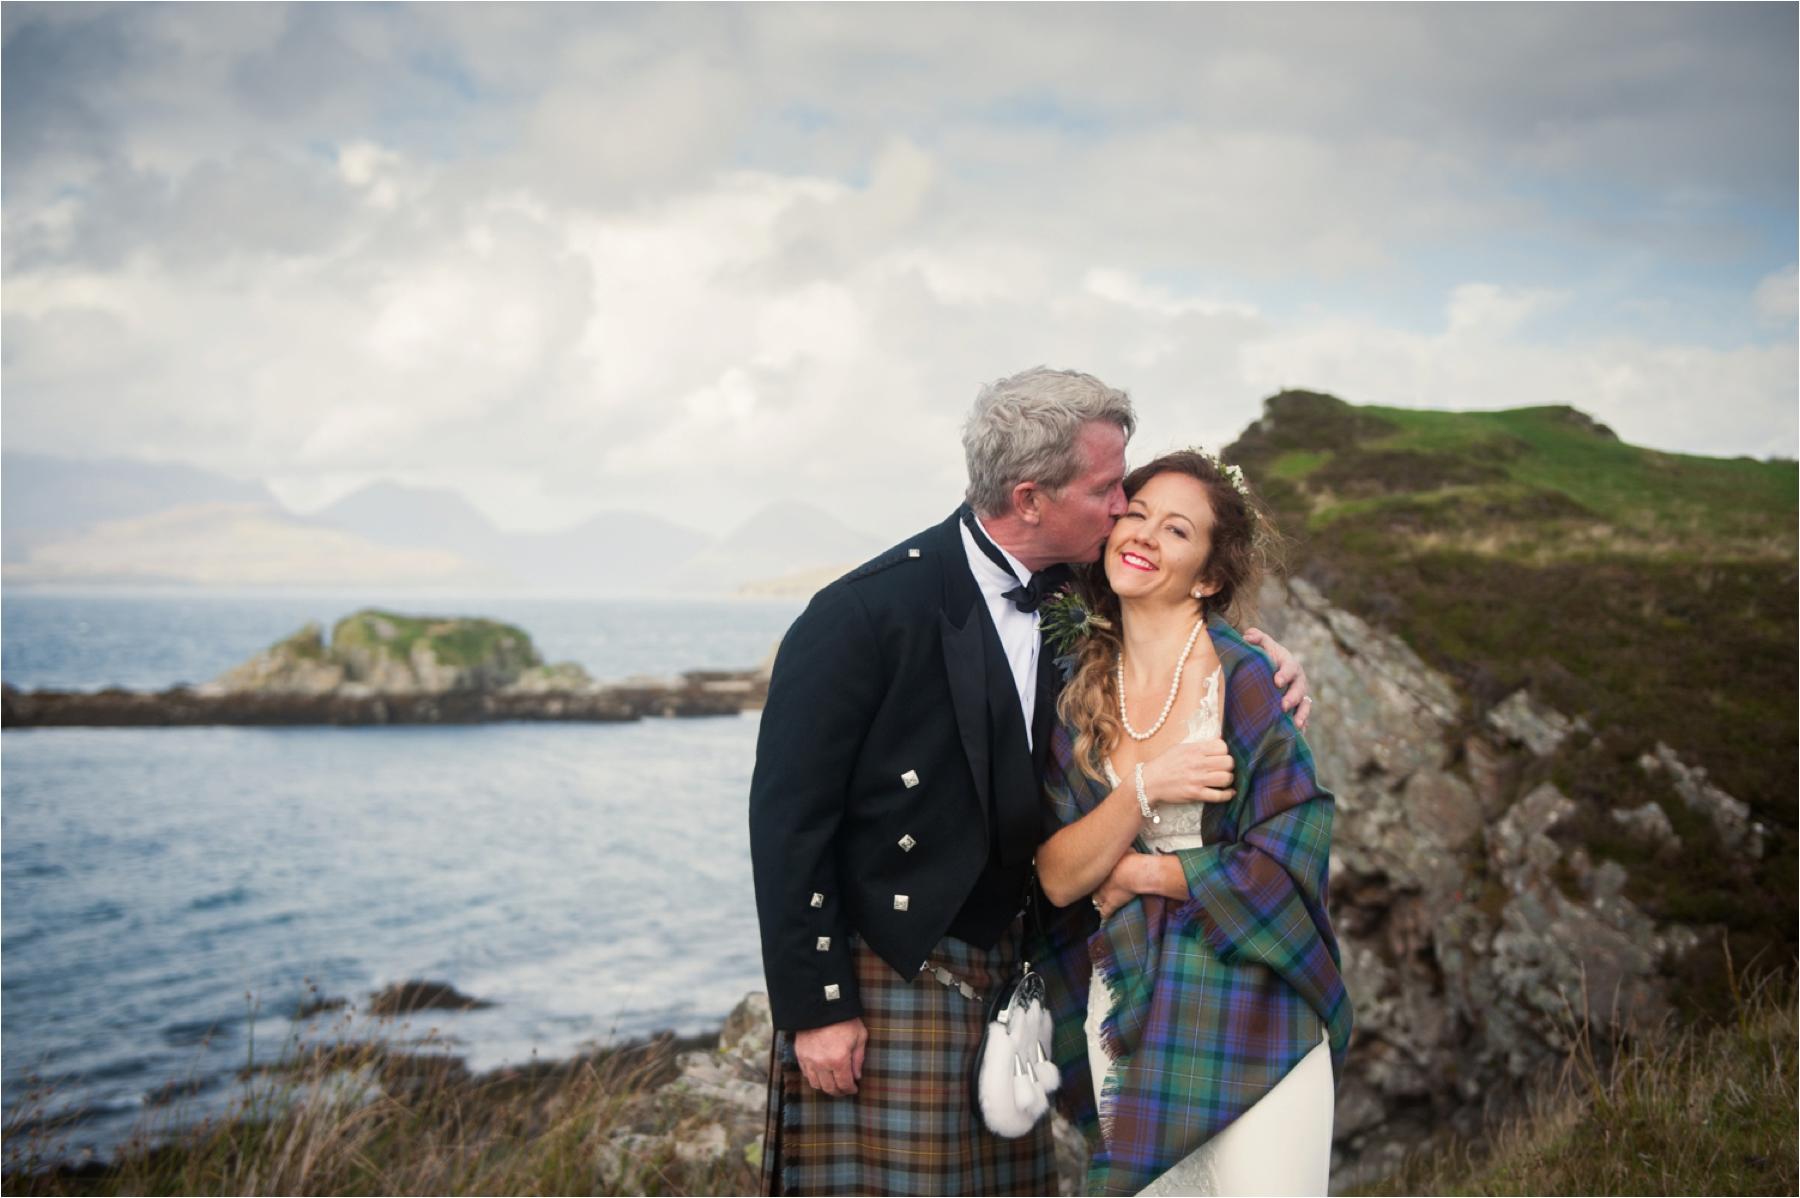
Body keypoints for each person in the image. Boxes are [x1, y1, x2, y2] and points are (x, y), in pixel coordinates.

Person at [749, 369, 1314, 1196]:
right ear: (1030, 498)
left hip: (1020, 969)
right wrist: (817, 1006)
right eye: (1107, 487)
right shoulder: (865, 614)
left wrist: (1267, 664)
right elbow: (787, 821)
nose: (1124, 505)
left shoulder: (1085, 595)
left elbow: (1178, 631)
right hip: (891, 976)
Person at [1033, 449, 1352, 1196]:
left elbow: (1290, 854)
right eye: (1135, 514)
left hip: (1254, 1011)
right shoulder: (1079, 689)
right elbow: (1056, 877)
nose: (1142, 536)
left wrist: (1141, 871)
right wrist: (1145, 788)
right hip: (1134, 1008)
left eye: (1176, 531)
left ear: (1209, 576)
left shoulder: (1245, 679)